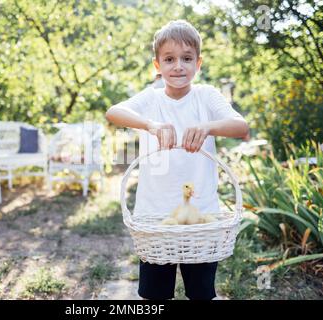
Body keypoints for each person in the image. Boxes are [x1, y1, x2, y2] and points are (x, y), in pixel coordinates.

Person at [105, 20, 249, 300]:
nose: (178, 66)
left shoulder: (206, 96)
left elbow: (240, 126)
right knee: (154, 295)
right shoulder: (151, 99)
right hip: (155, 216)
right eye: (169, 59)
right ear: (157, 66)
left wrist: (208, 127)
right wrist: (151, 125)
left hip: (201, 216)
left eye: (186, 58)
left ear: (199, 63)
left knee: (201, 292)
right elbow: (113, 112)